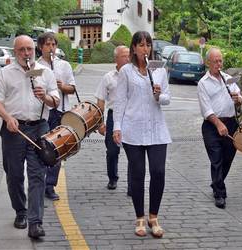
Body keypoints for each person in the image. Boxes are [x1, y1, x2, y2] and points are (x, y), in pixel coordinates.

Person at [0, 35, 60, 239]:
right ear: (15, 51)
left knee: (38, 175)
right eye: (21, 50)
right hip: (14, 129)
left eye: (29, 49)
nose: (26, 53)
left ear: (35, 50)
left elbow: (55, 100)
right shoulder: (5, 73)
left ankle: (35, 223)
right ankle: (20, 211)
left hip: (40, 128)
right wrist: (7, 117)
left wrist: (44, 97)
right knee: (14, 175)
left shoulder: (45, 73)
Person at [113, 31, 171, 238]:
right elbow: (120, 101)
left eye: (148, 45)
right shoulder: (126, 71)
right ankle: (139, 217)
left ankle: (153, 216)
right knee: (137, 174)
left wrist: (158, 94)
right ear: (134, 48)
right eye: (141, 45)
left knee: (158, 172)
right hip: (133, 128)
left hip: (156, 129)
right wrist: (116, 127)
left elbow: (167, 99)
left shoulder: (159, 71)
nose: (145, 49)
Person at [197, 47, 242, 209]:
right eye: (215, 61)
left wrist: (238, 99)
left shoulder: (228, 78)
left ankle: (217, 182)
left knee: (228, 159)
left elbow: (239, 95)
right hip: (211, 125)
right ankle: (220, 193)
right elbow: (206, 109)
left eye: (220, 61)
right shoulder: (203, 83)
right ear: (208, 62)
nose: (218, 64)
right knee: (216, 159)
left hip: (230, 123)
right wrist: (218, 124)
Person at [37, 32, 77, 201]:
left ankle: (50, 185)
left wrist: (62, 86)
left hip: (60, 110)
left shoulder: (64, 65)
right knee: (41, 147)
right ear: (40, 47)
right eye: (47, 44)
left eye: (53, 44)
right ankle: (39, 182)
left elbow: (73, 89)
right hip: (43, 112)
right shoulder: (36, 66)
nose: (51, 48)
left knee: (57, 148)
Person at [95, 45, 131, 192]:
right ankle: (112, 178)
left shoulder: (134, 75)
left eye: (129, 55)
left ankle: (132, 184)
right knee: (112, 151)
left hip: (130, 116)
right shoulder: (108, 77)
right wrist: (100, 123)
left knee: (133, 152)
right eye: (124, 56)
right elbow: (100, 101)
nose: (128, 58)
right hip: (113, 115)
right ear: (116, 59)